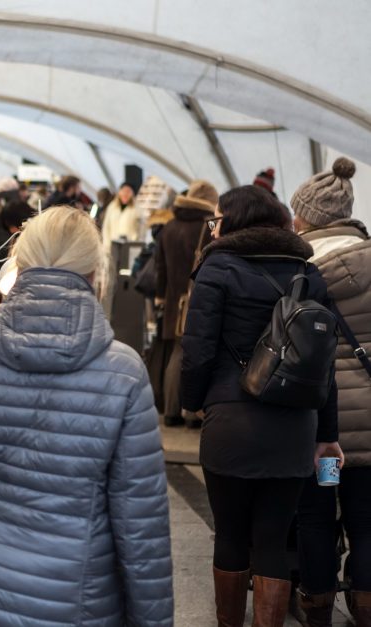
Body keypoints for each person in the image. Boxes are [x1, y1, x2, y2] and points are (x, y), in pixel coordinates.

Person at [0, 206, 172, 626]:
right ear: (94, 273)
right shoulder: (123, 373)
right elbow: (141, 528)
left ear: (19, 264)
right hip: (75, 600)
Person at [180, 185, 344, 627]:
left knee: (231, 533)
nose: (213, 227)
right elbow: (324, 365)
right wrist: (327, 434)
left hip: (231, 421)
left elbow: (197, 350)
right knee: (272, 538)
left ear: (233, 221)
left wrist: (191, 404)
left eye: (216, 219)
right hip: (295, 428)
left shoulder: (217, 269)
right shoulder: (308, 273)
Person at [291, 157, 371, 626]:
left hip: (327, 430)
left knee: (319, 515)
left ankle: (317, 609)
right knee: (367, 522)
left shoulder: (302, 270)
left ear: (305, 218)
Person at [154, 180, 217, 427]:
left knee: (176, 352)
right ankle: (192, 413)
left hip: (173, 301)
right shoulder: (210, 225)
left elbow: (159, 267)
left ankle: (171, 412)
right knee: (195, 355)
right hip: (199, 299)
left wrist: (161, 298)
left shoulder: (169, 225)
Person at [0, 199, 35, 277]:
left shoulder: (35, 238)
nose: (12, 230)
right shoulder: (13, 237)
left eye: (13, 225)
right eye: (9, 227)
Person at [101, 182, 138, 253]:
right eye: (123, 191)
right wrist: (107, 245)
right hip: (112, 247)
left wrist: (134, 244)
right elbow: (106, 227)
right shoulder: (112, 207)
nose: (125, 194)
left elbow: (140, 230)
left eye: (128, 192)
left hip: (129, 248)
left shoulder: (137, 209)